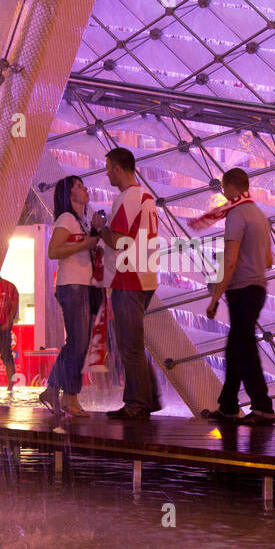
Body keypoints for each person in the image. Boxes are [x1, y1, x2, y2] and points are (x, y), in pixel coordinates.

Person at [200, 168, 275, 425]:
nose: (223, 193)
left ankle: (263, 407)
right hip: (258, 287)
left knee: (244, 347)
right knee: (236, 347)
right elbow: (268, 260)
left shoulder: (236, 215)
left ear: (230, 187)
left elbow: (229, 262)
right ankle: (228, 406)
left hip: (242, 289)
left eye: (223, 188)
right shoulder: (259, 216)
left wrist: (214, 299)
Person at [97, 147, 162, 419]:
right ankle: (149, 398)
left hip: (128, 277)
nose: (107, 172)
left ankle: (137, 403)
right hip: (146, 276)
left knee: (129, 345)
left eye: (109, 167)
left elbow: (118, 240)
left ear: (119, 168)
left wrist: (100, 226)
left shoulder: (127, 198)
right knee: (135, 342)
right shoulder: (147, 196)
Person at [39, 175, 103, 417]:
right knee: (78, 342)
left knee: (79, 342)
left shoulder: (82, 221)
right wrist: (85, 245)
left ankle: (60, 392)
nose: (84, 188)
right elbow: (54, 251)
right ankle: (68, 396)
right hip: (72, 285)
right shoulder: (66, 218)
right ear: (69, 195)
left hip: (83, 285)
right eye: (78, 186)